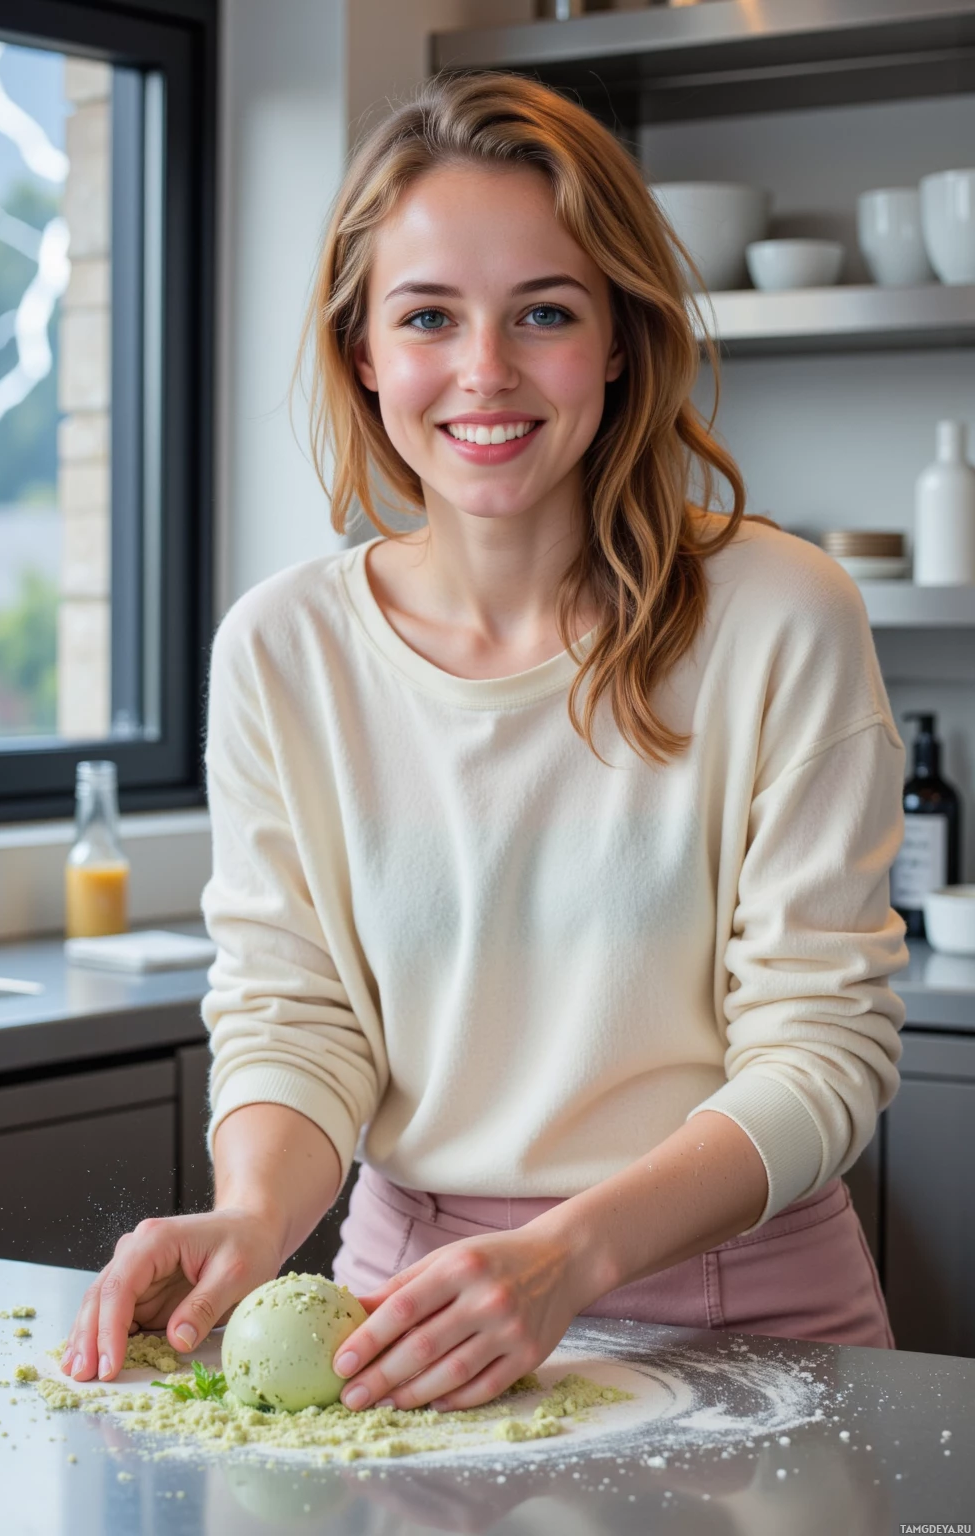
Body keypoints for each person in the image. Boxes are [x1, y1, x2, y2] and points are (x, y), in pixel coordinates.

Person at [64, 72, 908, 1413]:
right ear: (362, 351)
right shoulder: (284, 652)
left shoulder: (782, 615)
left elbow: (822, 1050)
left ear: (621, 338)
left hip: (751, 1316)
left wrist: (567, 1256)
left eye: (545, 314)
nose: (486, 372)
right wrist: (251, 1218)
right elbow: (298, 1013)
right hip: (399, 1315)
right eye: (428, 318)